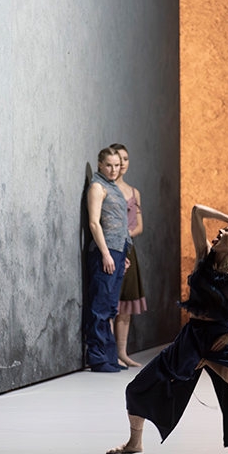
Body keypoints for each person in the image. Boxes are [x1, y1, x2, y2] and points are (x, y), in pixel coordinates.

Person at [107, 204, 228, 454]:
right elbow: (196, 211)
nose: (219, 232)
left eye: (226, 231)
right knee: (137, 387)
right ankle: (135, 443)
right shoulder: (204, 256)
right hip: (192, 337)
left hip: (221, 337)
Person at [85, 147, 131, 372]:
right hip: (105, 251)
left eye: (117, 165)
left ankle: (110, 357)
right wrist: (105, 253)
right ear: (100, 165)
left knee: (111, 307)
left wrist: (123, 254)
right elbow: (94, 223)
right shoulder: (97, 186)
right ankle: (97, 358)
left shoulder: (113, 187)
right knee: (100, 306)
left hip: (117, 251)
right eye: (109, 165)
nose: (114, 169)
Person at [109, 143, 147, 368]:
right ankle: (110, 353)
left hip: (129, 249)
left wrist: (125, 236)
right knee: (111, 304)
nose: (122, 164)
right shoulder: (106, 189)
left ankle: (122, 353)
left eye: (125, 159)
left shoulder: (134, 192)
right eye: (118, 159)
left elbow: (140, 226)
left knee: (126, 304)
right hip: (112, 249)